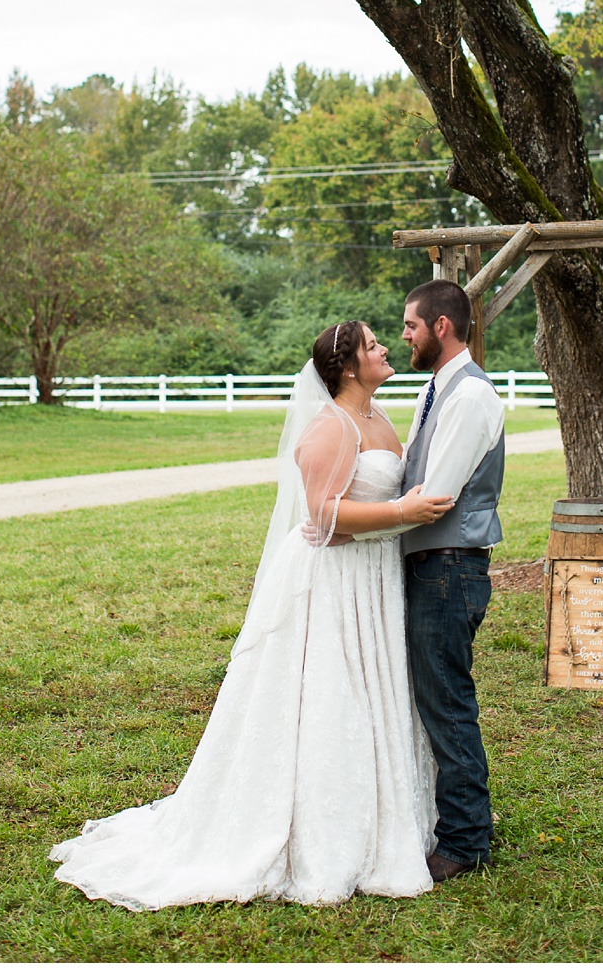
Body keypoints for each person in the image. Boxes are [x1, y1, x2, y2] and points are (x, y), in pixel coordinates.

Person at [50, 322, 453, 909]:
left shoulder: (381, 419)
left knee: (372, 692)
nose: (385, 348)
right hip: (334, 582)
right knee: (331, 694)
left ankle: (380, 815)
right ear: (346, 367)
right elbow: (322, 515)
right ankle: (316, 830)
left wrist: (403, 514)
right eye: (371, 345)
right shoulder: (329, 427)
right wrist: (403, 510)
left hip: (374, 579)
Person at [352, 278, 508, 885]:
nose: (404, 336)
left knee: (447, 704)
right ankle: (456, 822)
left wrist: (354, 528)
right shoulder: (435, 389)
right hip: (429, 567)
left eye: (411, 325)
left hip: (449, 568)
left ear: (441, 327)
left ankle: (466, 841)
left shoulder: (470, 397)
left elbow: (434, 494)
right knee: (434, 700)